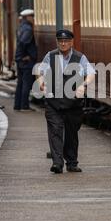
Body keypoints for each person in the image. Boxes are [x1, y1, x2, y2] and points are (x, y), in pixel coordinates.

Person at [37, 29, 95, 174]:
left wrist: (83, 85)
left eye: (66, 41)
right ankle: (57, 163)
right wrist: (41, 82)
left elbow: (91, 73)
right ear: (57, 42)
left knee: (71, 133)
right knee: (55, 131)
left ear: (71, 42)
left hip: (73, 103)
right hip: (53, 102)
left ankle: (72, 163)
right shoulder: (50, 56)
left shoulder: (79, 57)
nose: (63, 44)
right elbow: (41, 71)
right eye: (60, 41)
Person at [14, 9, 38, 112]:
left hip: (21, 60)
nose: (33, 19)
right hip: (26, 61)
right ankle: (24, 106)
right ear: (28, 17)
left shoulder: (21, 27)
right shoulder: (28, 29)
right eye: (32, 16)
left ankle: (17, 105)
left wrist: (18, 57)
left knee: (20, 83)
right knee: (26, 83)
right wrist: (24, 56)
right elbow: (23, 43)